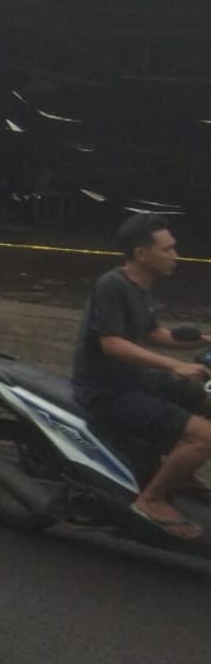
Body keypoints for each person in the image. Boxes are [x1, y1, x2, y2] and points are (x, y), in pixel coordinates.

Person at [72, 212, 211, 540]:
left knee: (206, 398)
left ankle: (184, 472)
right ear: (141, 254)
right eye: (168, 249)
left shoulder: (140, 287)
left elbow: (154, 333)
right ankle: (151, 499)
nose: (175, 256)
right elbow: (113, 344)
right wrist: (173, 365)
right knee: (205, 435)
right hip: (107, 390)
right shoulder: (112, 286)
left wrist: (205, 339)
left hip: (135, 379)